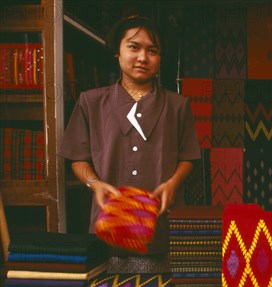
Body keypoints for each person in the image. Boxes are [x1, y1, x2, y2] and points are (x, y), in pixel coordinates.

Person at [58, 15, 201, 272]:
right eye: (134, 47)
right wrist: (94, 183)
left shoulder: (178, 106)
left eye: (152, 51)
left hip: (161, 230)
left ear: (160, 58)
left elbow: (187, 157)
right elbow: (77, 159)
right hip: (108, 230)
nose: (143, 57)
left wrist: (173, 183)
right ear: (118, 51)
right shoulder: (91, 103)